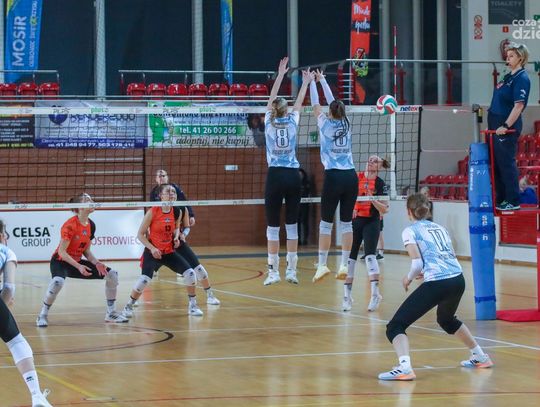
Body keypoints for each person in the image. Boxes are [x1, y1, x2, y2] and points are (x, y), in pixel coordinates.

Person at [378, 192, 493, 381]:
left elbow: (417, 263)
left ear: (409, 211)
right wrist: (428, 270)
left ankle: (404, 368)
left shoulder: (410, 230)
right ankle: (480, 356)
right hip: (457, 279)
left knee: (395, 326)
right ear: (427, 210)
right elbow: (448, 255)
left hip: (439, 282)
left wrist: (408, 278)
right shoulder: (440, 228)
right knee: (447, 320)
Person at [122, 184, 219, 318]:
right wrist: (152, 248)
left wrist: (176, 238)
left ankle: (193, 306)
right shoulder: (153, 211)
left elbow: (176, 229)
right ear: (161, 196)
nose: (172, 193)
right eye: (168, 191)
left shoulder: (177, 211)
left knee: (190, 273)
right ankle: (129, 306)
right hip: (153, 252)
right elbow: (140, 235)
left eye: (173, 191)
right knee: (144, 279)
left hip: (168, 252)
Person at [36, 193, 128, 327]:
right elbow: (62, 252)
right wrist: (79, 266)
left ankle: (111, 312)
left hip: (77, 262)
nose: (92, 202)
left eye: (91, 199)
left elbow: (86, 251)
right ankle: (43, 314)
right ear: (80, 207)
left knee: (112, 275)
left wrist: (97, 263)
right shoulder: (70, 225)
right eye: (87, 200)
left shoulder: (91, 225)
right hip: (60, 261)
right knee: (57, 282)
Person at [262, 57, 311, 286]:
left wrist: (280, 74)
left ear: (273, 109)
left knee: (273, 227)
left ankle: (273, 272)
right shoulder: (292, 121)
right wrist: (306, 82)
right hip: (293, 176)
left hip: (275, 175)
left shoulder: (268, 121)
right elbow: (299, 102)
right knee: (291, 225)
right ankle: (292, 270)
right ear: (286, 110)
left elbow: (272, 98)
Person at [310, 69, 358, 283]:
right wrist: (323, 80)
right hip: (351, 177)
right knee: (347, 223)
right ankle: (344, 265)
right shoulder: (346, 123)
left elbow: (316, 105)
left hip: (334, 177)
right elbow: (333, 104)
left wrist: (313, 83)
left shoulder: (325, 124)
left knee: (326, 223)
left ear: (330, 112)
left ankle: (322, 265)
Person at [0, 222, 54, 406]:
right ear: (1, 236)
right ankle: (36, 395)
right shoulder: (7, 251)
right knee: (16, 342)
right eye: (5, 234)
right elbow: (9, 287)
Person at [343, 155, 389, 312]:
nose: (371, 162)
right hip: (356, 221)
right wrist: (352, 207)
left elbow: (385, 209)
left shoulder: (380, 184)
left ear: (379, 167)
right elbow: (347, 197)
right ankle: (347, 297)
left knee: (370, 256)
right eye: (370, 159)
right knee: (350, 258)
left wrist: (372, 199)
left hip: (372, 221)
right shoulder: (356, 178)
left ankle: (375, 295)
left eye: (375, 161)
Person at [488, 42, 531, 211]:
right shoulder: (508, 76)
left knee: (506, 163)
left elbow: (518, 106)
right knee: (497, 164)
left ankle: (512, 200)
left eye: (512, 55)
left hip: (506, 126)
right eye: (507, 55)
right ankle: (501, 199)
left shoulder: (522, 78)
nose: (508, 58)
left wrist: (506, 125)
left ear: (521, 58)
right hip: (495, 124)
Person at [298, 168, 311, 245]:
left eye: (301, 174)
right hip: (296, 206)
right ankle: (298, 239)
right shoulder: (294, 183)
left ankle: (305, 239)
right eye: (299, 174)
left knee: (305, 222)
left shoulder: (307, 183)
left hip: (305, 206)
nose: (300, 175)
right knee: (297, 222)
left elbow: (309, 193)